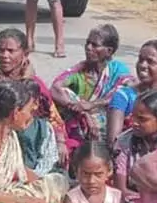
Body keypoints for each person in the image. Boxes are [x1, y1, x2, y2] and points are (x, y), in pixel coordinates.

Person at [0, 27, 66, 173]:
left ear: (25, 54)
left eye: (11, 51)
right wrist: (26, 80)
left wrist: (60, 141)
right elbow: (7, 99)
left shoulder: (35, 82)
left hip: (32, 131)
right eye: (1, 50)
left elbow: (51, 113)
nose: (4, 55)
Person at [51, 24, 134, 152]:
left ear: (109, 51)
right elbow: (55, 88)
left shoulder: (117, 69)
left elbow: (127, 89)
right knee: (64, 96)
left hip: (109, 123)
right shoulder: (81, 70)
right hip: (84, 120)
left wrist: (92, 104)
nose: (88, 48)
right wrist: (83, 111)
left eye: (95, 45)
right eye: (87, 43)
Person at [106, 39, 157, 143]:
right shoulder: (124, 96)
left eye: (150, 61)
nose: (142, 65)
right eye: (140, 60)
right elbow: (113, 141)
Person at [113, 90, 157, 201]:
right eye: (133, 116)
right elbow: (121, 189)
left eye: (142, 119)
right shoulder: (124, 141)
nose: (134, 122)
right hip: (135, 201)